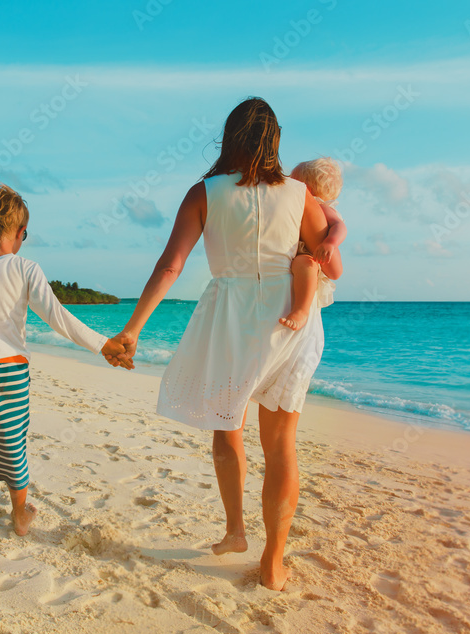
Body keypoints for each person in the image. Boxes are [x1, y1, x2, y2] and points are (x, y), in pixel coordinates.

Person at [110, 98, 339, 590]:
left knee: (225, 421)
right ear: (274, 141)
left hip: (233, 317)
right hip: (290, 319)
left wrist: (132, 329)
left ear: (229, 137)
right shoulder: (302, 195)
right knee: (281, 445)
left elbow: (170, 265)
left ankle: (236, 530)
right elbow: (330, 262)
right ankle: (273, 563)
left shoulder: (204, 193)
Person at [0, 185, 129, 575]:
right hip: (12, 375)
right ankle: (18, 515)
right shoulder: (26, 268)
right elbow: (58, 318)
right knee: (13, 445)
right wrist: (103, 345)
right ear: (21, 232)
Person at [280, 157, 347, 330]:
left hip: (315, 257)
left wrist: (330, 243)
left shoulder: (321, 207)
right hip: (305, 253)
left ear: (306, 188)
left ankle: (300, 311)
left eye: (292, 180)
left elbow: (340, 226)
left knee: (305, 264)